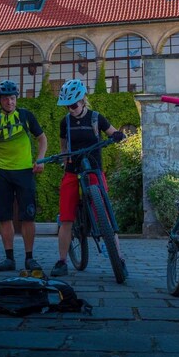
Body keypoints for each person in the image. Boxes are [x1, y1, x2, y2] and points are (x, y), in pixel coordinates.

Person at [50, 79, 126, 278]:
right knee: (66, 217)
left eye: (74, 104)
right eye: (67, 106)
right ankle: (62, 261)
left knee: (106, 216)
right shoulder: (64, 122)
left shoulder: (96, 118)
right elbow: (64, 147)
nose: (71, 109)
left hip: (94, 170)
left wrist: (118, 135)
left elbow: (112, 132)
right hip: (73, 170)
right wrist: (63, 159)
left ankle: (119, 258)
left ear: (83, 100)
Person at [0, 80, 48, 271]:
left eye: (12, 98)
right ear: (0, 100)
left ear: (16, 99)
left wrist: (40, 159)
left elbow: (42, 139)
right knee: (4, 216)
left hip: (24, 172)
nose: (10, 102)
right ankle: (9, 258)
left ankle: (29, 258)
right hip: (2, 173)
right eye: (6, 98)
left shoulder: (26, 116)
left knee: (28, 216)